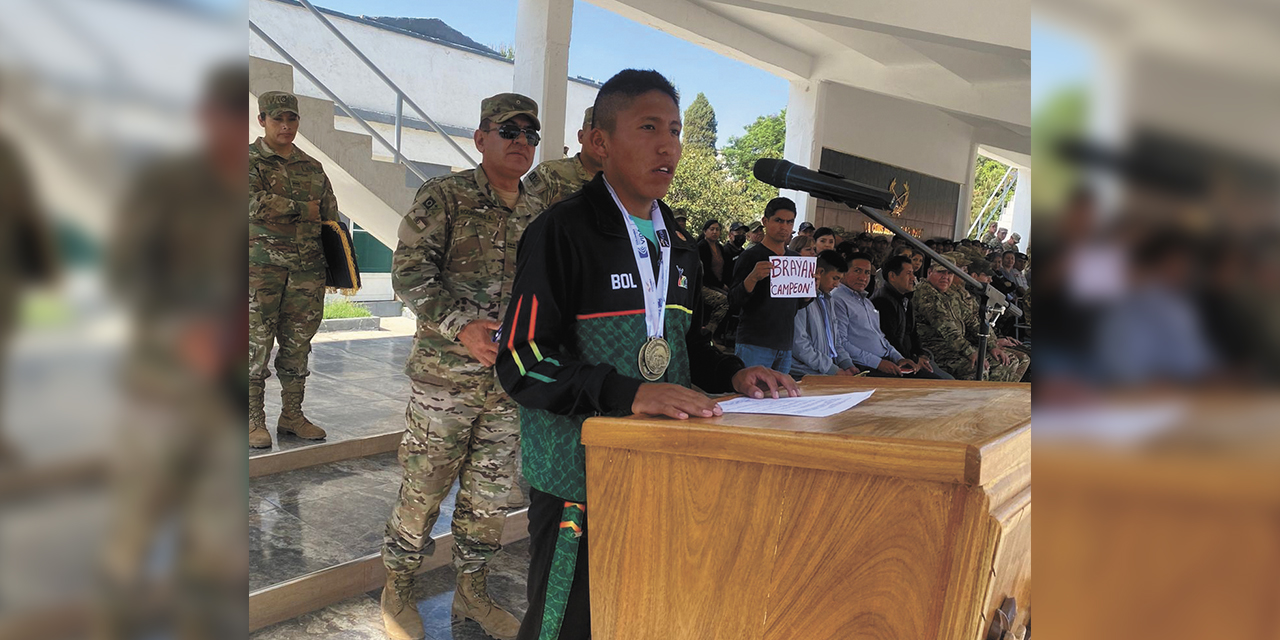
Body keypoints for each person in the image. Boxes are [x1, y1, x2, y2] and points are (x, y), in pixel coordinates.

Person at [495, 69, 797, 640]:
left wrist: (735, 373)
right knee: (566, 624)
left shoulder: (675, 243)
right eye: (649, 127)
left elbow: (681, 348)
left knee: (641, 613)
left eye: (677, 131)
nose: (668, 146)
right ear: (601, 143)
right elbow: (522, 359)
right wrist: (628, 393)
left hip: (660, 467)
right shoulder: (562, 232)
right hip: (577, 479)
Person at [381, 93, 546, 640]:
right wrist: (460, 325)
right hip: (444, 381)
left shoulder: (540, 212)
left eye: (531, 134)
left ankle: (471, 594)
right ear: (481, 138)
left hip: (507, 382)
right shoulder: (446, 196)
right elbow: (407, 272)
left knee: (488, 496)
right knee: (424, 488)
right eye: (509, 130)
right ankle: (398, 587)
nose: (521, 141)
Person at [248, 91, 336, 448]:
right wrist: (302, 208)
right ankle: (254, 420)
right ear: (261, 121)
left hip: (306, 272)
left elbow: (329, 215)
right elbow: (250, 204)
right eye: (277, 119)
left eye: (292, 119)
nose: (286, 126)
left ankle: (292, 415)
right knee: (254, 346)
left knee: (298, 345)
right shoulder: (247, 161)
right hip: (259, 272)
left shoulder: (312, 167)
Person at [912, 252, 1027, 381]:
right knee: (979, 368)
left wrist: (991, 345)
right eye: (941, 272)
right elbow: (948, 330)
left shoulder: (951, 293)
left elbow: (972, 321)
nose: (946, 277)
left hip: (956, 349)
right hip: (937, 351)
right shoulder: (925, 293)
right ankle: (979, 400)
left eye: (950, 273)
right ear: (929, 272)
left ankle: (994, 399)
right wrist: (971, 352)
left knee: (1006, 361)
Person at [728, 198, 811, 373]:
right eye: (779, 220)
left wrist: (808, 293)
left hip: (785, 343)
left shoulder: (795, 259)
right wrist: (752, 278)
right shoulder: (750, 256)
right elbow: (733, 301)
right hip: (754, 342)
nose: (784, 227)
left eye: (789, 222)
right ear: (765, 221)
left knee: (778, 397)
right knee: (751, 395)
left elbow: (795, 304)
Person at [834, 252, 944, 378]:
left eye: (867, 273)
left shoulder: (866, 302)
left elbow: (881, 337)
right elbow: (841, 343)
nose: (863, 277)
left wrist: (899, 358)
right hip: (865, 365)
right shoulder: (839, 300)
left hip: (886, 360)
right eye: (857, 271)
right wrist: (878, 363)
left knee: (937, 382)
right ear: (843, 273)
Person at [870, 255, 950, 379]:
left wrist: (920, 355)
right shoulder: (882, 302)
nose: (913, 278)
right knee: (943, 381)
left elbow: (913, 332)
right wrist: (914, 359)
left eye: (913, 273)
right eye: (908, 273)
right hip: (898, 362)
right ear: (892, 276)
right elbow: (890, 340)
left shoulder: (905, 298)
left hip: (912, 357)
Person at [790, 251, 857, 377]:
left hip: (826, 369)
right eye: (835, 278)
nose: (836, 284)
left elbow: (835, 340)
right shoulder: (801, 299)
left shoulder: (829, 300)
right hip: (803, 372)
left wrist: (846, 363)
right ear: (820, 272)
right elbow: (799, 345)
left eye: (839, 280)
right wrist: (831, 369)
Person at [524, 106, 602, 209]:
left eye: (611, 135)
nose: (602, 142)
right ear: (581, 136)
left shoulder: (622, 184)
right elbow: (523, 221)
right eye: (596, 135)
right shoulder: (549, 175)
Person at [696, 219, 730, 335]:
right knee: (725, 301)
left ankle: (720, 336)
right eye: (712, 229)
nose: (715, 232)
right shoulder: (701, 246)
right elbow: (705, 272)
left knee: (732, 297)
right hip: (703, 285)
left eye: (717, 229)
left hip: (717, 285)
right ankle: (708, 333)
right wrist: (721, 285)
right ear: (705, 231)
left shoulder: (720, 248)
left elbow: (725, 269)